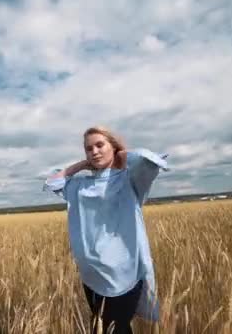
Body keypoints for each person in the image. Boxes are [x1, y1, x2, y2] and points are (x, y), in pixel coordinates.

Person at [43, 126, 168, 334]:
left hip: (123, 274)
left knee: (115, 328)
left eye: (100, 145)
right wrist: (84, 164)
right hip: (91, 274)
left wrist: (121, 155)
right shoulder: (80, 185)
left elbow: (149, 159)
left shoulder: (130, 179)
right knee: (99, 327)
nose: (94, 151)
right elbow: (52, 183)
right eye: (88, 149)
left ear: (113, 146)